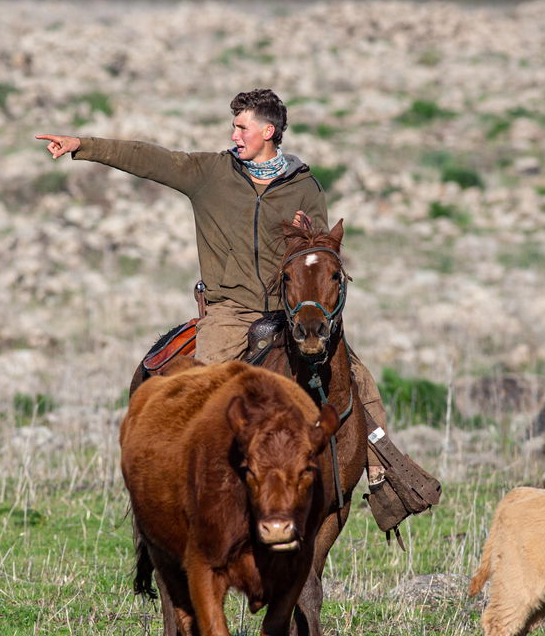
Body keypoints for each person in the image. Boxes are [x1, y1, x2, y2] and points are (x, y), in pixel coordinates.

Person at [35, 89, 392, 487]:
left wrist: (310, 237)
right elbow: (149, 158)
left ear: (268, 131)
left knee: (356, 379)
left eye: (243, 127)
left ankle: (384, 474)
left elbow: (319, 257)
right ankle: (182, 479)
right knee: (200, 387)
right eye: (234, 127)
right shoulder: (210, 174)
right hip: (231, 311)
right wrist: (83, 145)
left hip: (289, 312)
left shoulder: (305, 188)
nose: (235, 135)